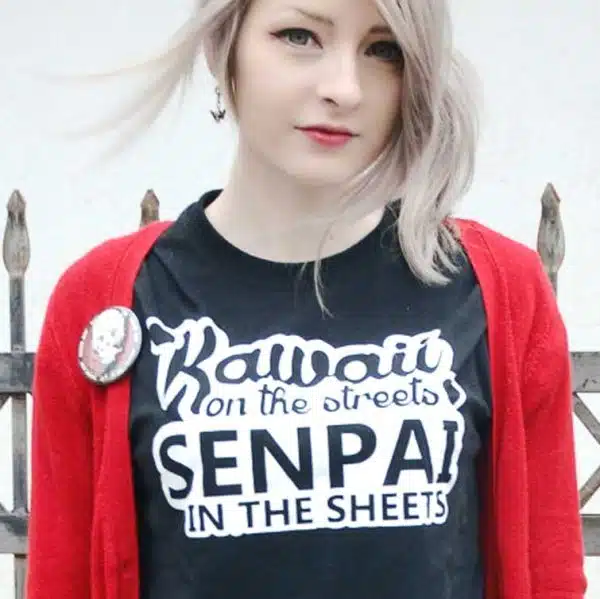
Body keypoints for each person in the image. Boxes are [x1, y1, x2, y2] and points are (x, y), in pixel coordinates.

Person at [26, 0, 587, 597]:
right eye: (299, 36)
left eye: (383, 50)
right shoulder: (102, 302)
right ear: (224, 47)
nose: (345, 88)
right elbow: (63, 577)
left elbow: (548, 574)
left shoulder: (500, 292)